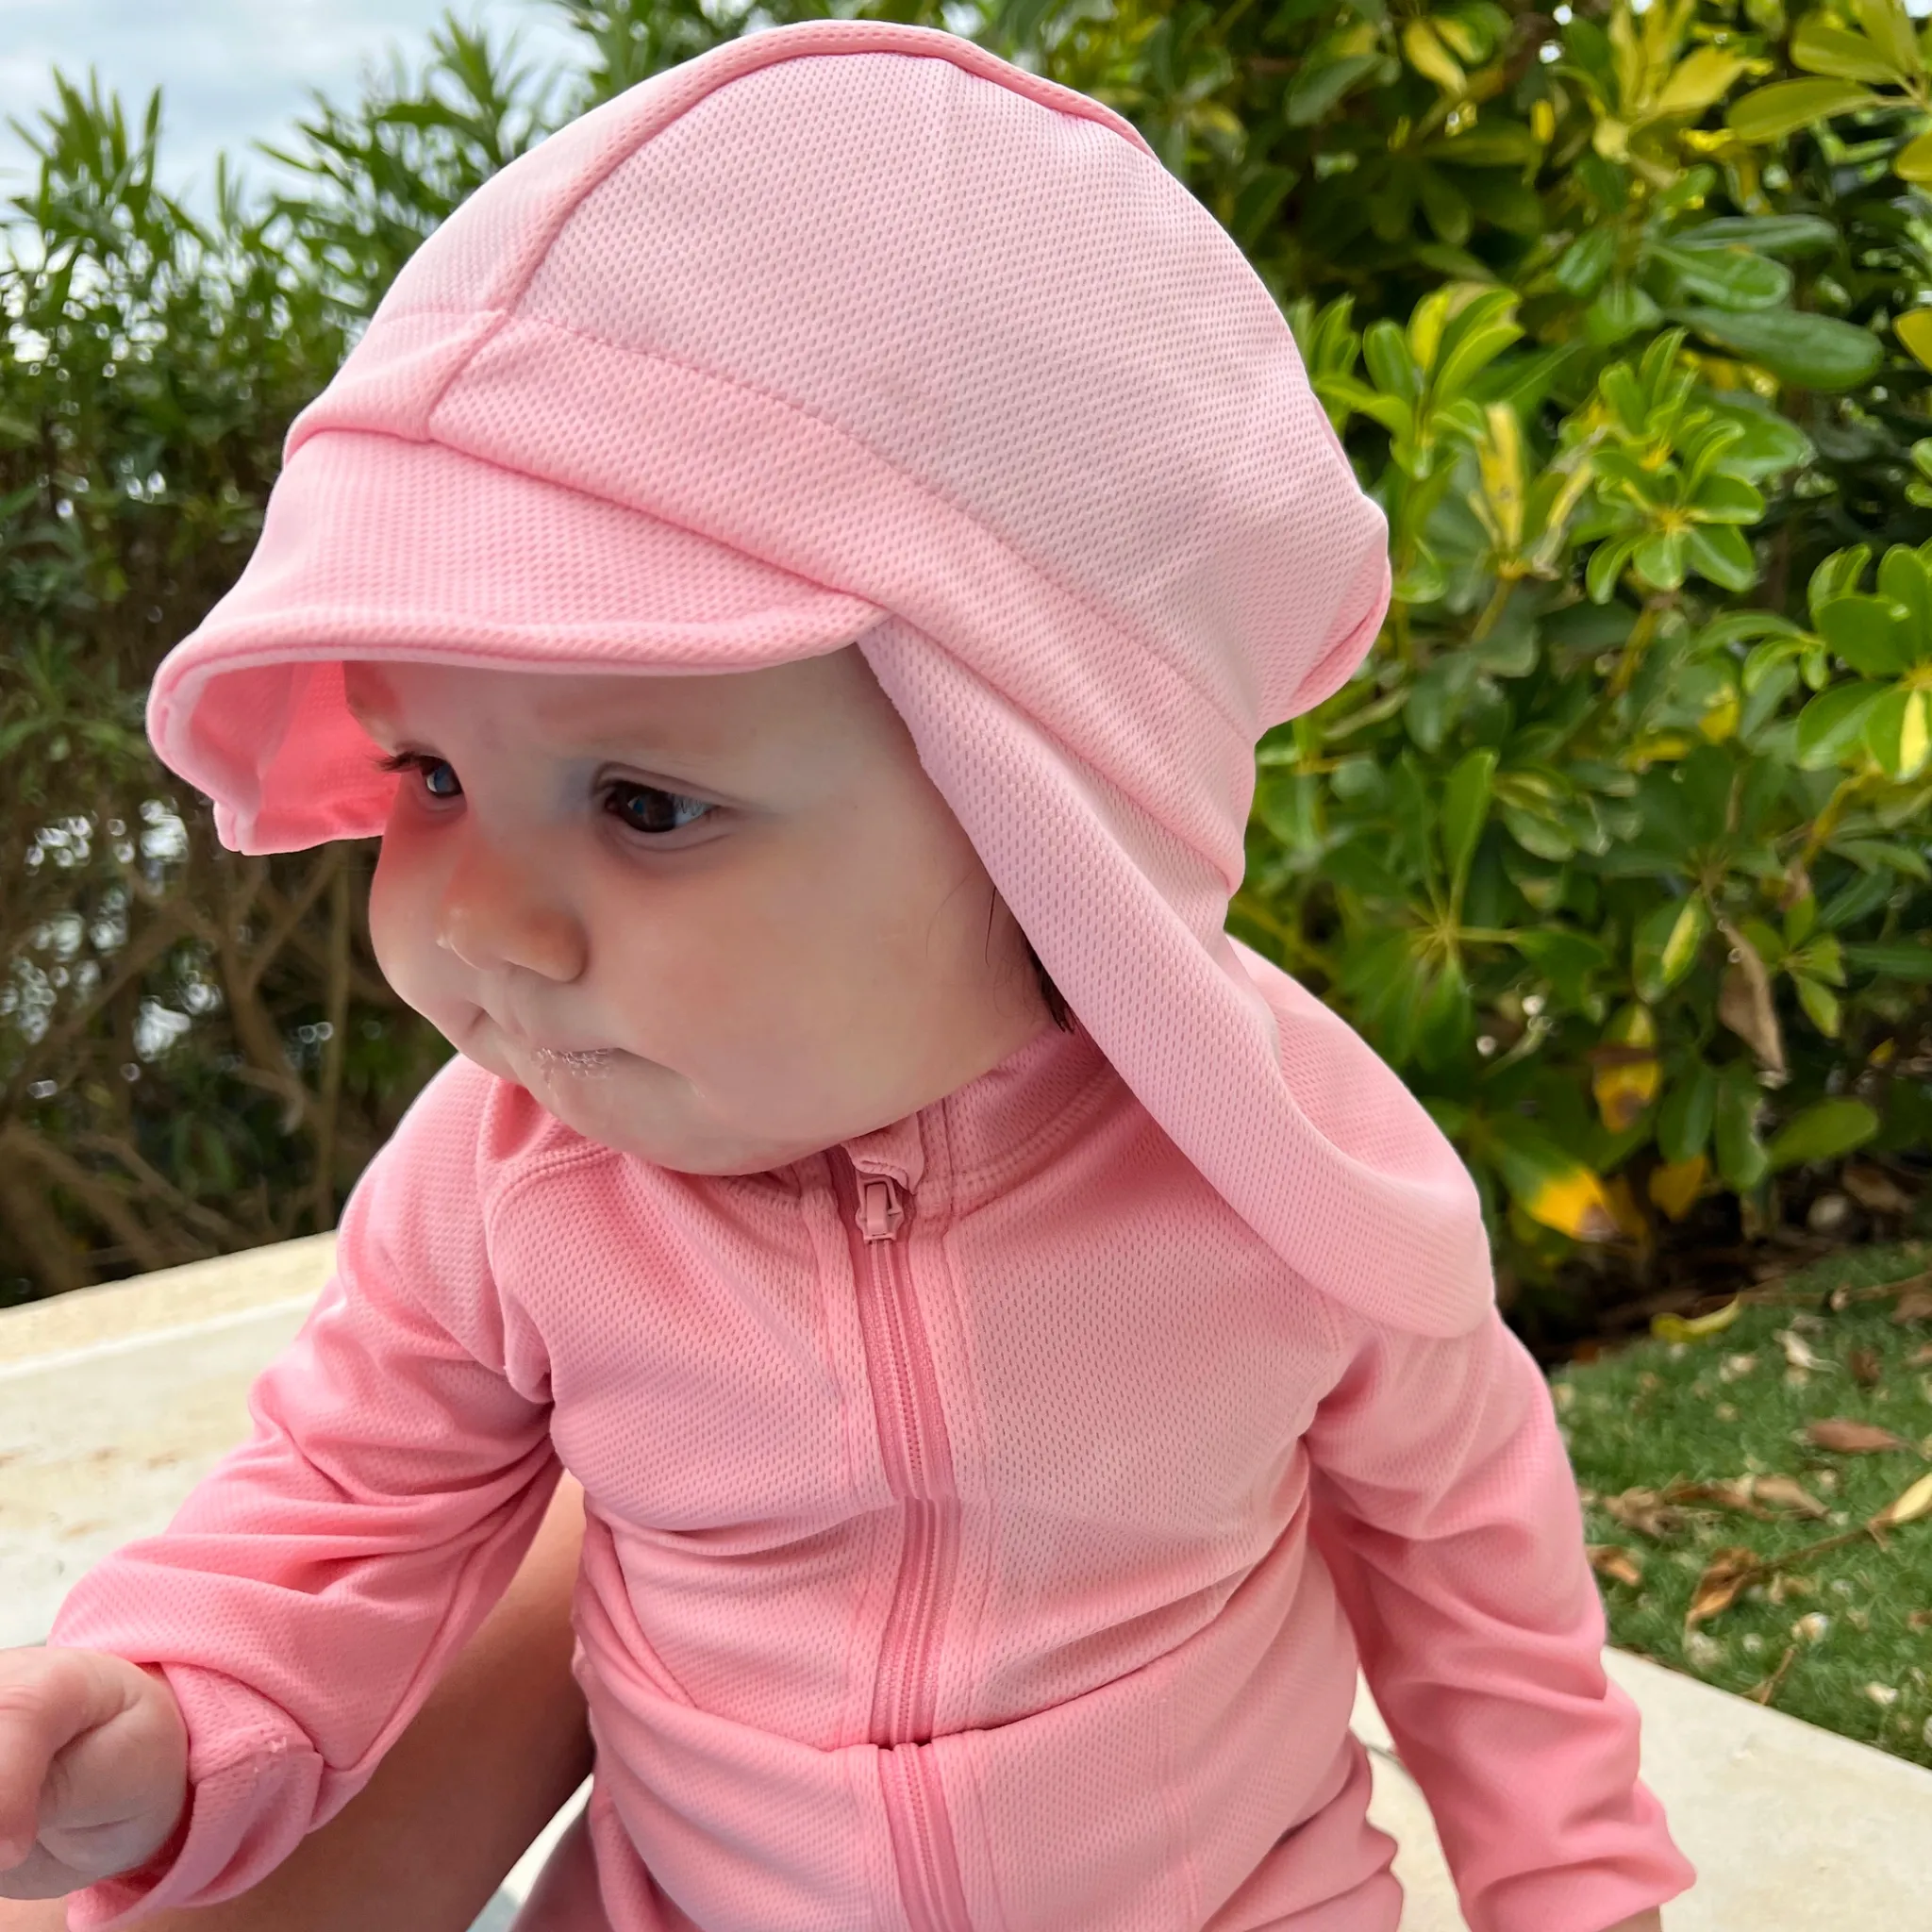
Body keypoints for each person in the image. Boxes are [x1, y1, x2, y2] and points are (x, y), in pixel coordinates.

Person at [0, 18, 1692, 1931]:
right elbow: (338, 1508)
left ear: (1038, 811)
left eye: (645, 803)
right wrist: (164, 1715)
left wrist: (1575, 1884)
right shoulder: (506, 1181)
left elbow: (1467, 1559)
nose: (483, 922)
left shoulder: (1277, 1172)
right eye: (432, 777)